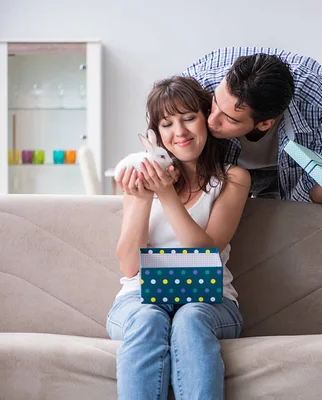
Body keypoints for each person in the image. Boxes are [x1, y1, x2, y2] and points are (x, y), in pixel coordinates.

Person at [106, 75, 250, 400]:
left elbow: (207, 253)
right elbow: (130, 267)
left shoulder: (233, 179)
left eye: (188, 118)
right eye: (167, 123)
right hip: (139, 299)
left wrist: (166, 195)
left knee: (190, 317)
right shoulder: (141, 176)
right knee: (147, 317)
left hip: (209, 301)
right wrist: (143, 198)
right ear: (156, 134)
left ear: (206, 120)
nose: (180, 132)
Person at [183, 46, 322, 203]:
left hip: (283, 174)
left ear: (265, 124)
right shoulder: (198, 84)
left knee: (284, 233)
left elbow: (317, 190)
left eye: (230, 119)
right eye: (215, 102)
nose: (210, 120)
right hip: (220, 169)